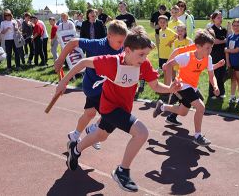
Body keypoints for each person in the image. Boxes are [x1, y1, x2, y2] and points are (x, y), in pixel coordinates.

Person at [56, 26, 181, 192]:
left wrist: (171, 88)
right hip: (108, 107)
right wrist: (64, 81)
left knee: (101, 135)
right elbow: (83, 62)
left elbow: (155, 85)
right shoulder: (112, 62)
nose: (144, 59)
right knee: (141, 132)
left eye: (146, 55)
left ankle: (75, 149)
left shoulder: (142, 64)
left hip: (124, 108)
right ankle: (122, 171)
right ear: (127, 50)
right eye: (141, 54)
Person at [54, 20, 128, 150]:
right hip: (94, 86)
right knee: (112, 115)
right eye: (119, 42)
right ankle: (94, 132)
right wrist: (60, 60)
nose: (122, 45)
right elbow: (72, 42)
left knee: (89, 113)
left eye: (124, 41)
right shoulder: (97, 45)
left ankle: (75, 135)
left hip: (109, 86)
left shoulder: (122, 44)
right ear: (109, 36)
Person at [153, 29, 221, 147]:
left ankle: (162, 106)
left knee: (183, 112)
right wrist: (169, 86)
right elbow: (168, 65)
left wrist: (215, 86)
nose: (210, 50)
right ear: (198, 47)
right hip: (182, 85)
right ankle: (197, 136)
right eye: (208, 48)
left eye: (211, 48)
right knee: (201, 107)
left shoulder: (208, 58)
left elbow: (212, 75)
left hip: (192, 86)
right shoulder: (186, 57)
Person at [224, 18, 239, 105]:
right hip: (231, 62)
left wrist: (227, 50)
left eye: (237, 25)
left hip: (238, 62)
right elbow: (227, 51)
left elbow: (237, 50)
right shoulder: (230, 37)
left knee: (238, 78)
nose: (235, 27)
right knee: (232, 79)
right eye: (234, 25)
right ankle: (232, 96)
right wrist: (228, 61)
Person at [209, 11, 228, 99]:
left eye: (221, 17)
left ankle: (221, 92)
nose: (220, 19)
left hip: (223, 54)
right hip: (215, 54)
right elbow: (214, 41)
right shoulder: (211, 29)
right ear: (213, 19)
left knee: (222, 73)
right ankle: (212, 93)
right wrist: (224, 41)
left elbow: (229, 37)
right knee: (214, 73)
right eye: (218, 18)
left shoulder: (223, 29)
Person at [157, 15, 177, 86]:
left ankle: (173, 81)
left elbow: (176, 36)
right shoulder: (160, 31)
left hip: (168, 54)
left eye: (164, 22)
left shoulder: (168, 31)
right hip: (162, 54)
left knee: (170, 69)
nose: (162, 24)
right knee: (164, 69)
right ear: (158, 23)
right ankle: (167, 84)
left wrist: (170, 42)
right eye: (160, 22)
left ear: (167, 23)